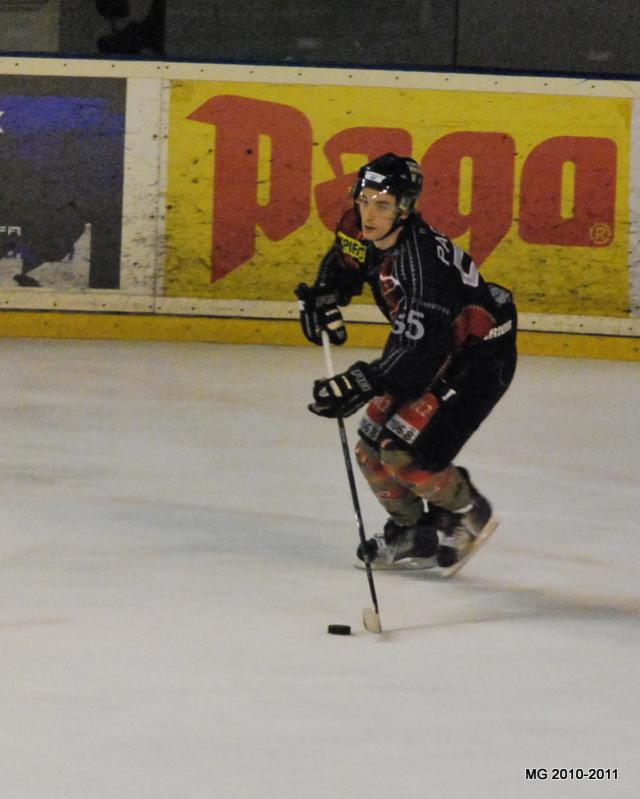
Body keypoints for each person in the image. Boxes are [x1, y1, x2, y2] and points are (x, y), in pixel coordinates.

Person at [296, 153, 517, 572]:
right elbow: (345, 265)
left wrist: (363, 380)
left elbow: (423, 354)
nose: (368, 214)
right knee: (369, 448)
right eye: (364, 199)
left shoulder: (420, 266)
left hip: (478, 357)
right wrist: (325, 294)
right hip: (433, 343)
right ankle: (415, 532)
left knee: (405, 455)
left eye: (382, 205)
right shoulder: (359, 229)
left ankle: (469, 511)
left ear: (404, 209)